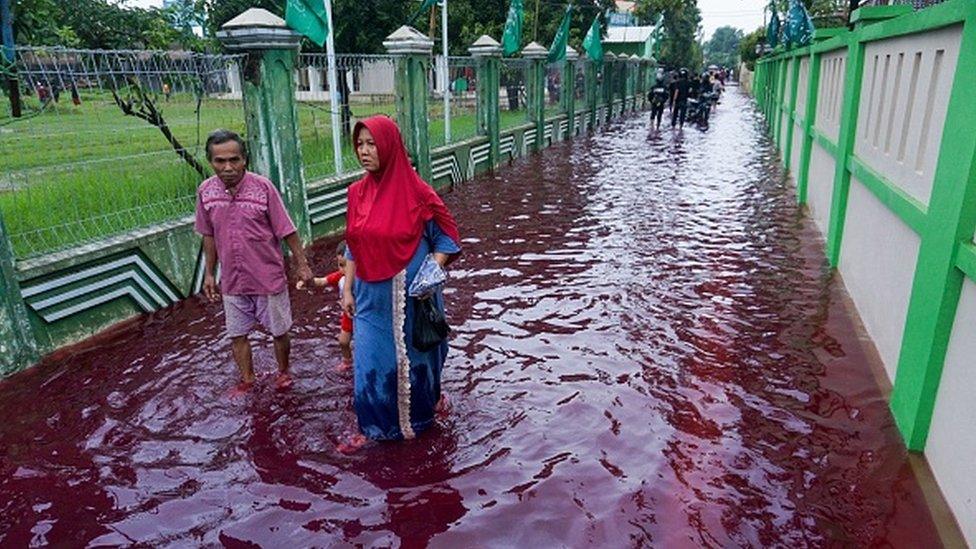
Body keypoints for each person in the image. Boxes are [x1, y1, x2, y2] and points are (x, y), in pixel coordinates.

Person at [340, 115, 461, 451]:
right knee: (369, 361)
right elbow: (353, 243)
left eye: (372, 144)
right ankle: (373, 427)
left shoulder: (417, 193)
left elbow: (448, 238)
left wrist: (430, 273)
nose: (364, 151)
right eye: (359, 144)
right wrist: (347, 288)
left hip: (411, 299)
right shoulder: (356, 194)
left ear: (390, 146)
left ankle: (420, 421)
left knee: (417, 360)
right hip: (369, 299)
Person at [194, 129, 313, 394]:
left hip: (267, 276)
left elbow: (287, 230)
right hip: (232, 279)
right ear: (210, 161)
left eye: (234, 160)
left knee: (279, 331)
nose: (228, 167)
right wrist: (210, 274)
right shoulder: (205, 192)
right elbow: (208, 234)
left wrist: (301, 264)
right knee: (237, 334)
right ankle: (248, 379)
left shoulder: (263, 188)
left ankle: (283, 372)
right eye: (220, 161)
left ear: (245, 159)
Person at [297, 240, 353, 371]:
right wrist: (308, 282)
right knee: (343, 341)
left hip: (361, 313)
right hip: (347, 315)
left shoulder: (362, 278)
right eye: (340, 265)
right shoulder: (340, 277)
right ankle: (347, 361)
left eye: (346, 265)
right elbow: (322, 281)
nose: (343, 269)